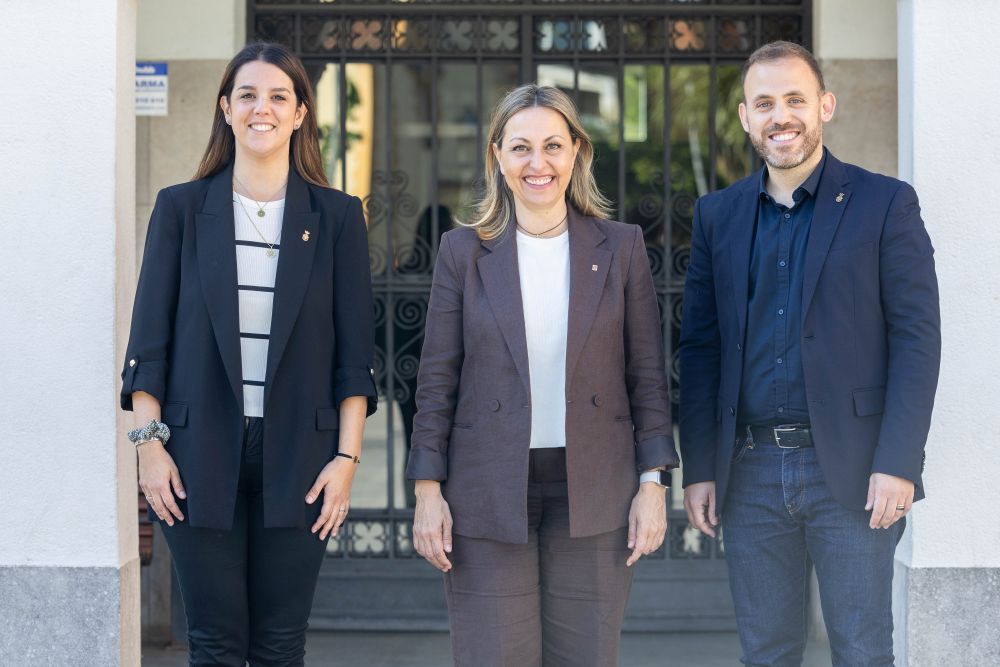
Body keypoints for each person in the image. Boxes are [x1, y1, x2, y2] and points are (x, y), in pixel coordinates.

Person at [679, 41, 940, 666]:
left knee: (861, 649)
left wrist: (898, 461)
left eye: (795, 99)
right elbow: (701, 346)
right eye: (764, 103)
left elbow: (917, 337)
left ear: (825, 105)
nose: (781, 116)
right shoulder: (718, 215)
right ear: (745, 118)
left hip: (852, 472)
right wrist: (700, 467)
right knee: (766, 653)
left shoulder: (885, 203)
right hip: (751, 473)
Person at [120, 42, 377, 666]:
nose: (262, 108)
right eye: (248, 95)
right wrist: (149, 449)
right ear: (226, 109)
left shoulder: (338, 216)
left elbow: (353, 355)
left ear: (300, 113)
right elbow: (147, 344)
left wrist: (347, 458)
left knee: (281, 644)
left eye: (278, 97)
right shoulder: (181, 209)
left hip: (304, 454)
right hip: (195, 451)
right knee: (214, 641)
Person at [405, 84, 678, 666]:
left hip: (596, 488)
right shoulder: (462, 252)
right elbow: (436, 382)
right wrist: (428, 491)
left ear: (577, 151)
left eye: (553, 145)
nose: (538, 163)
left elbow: (647, 377)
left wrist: (653, 485)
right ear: (497, 157)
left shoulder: (623, 247)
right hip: (486, 490)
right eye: (521, 147)